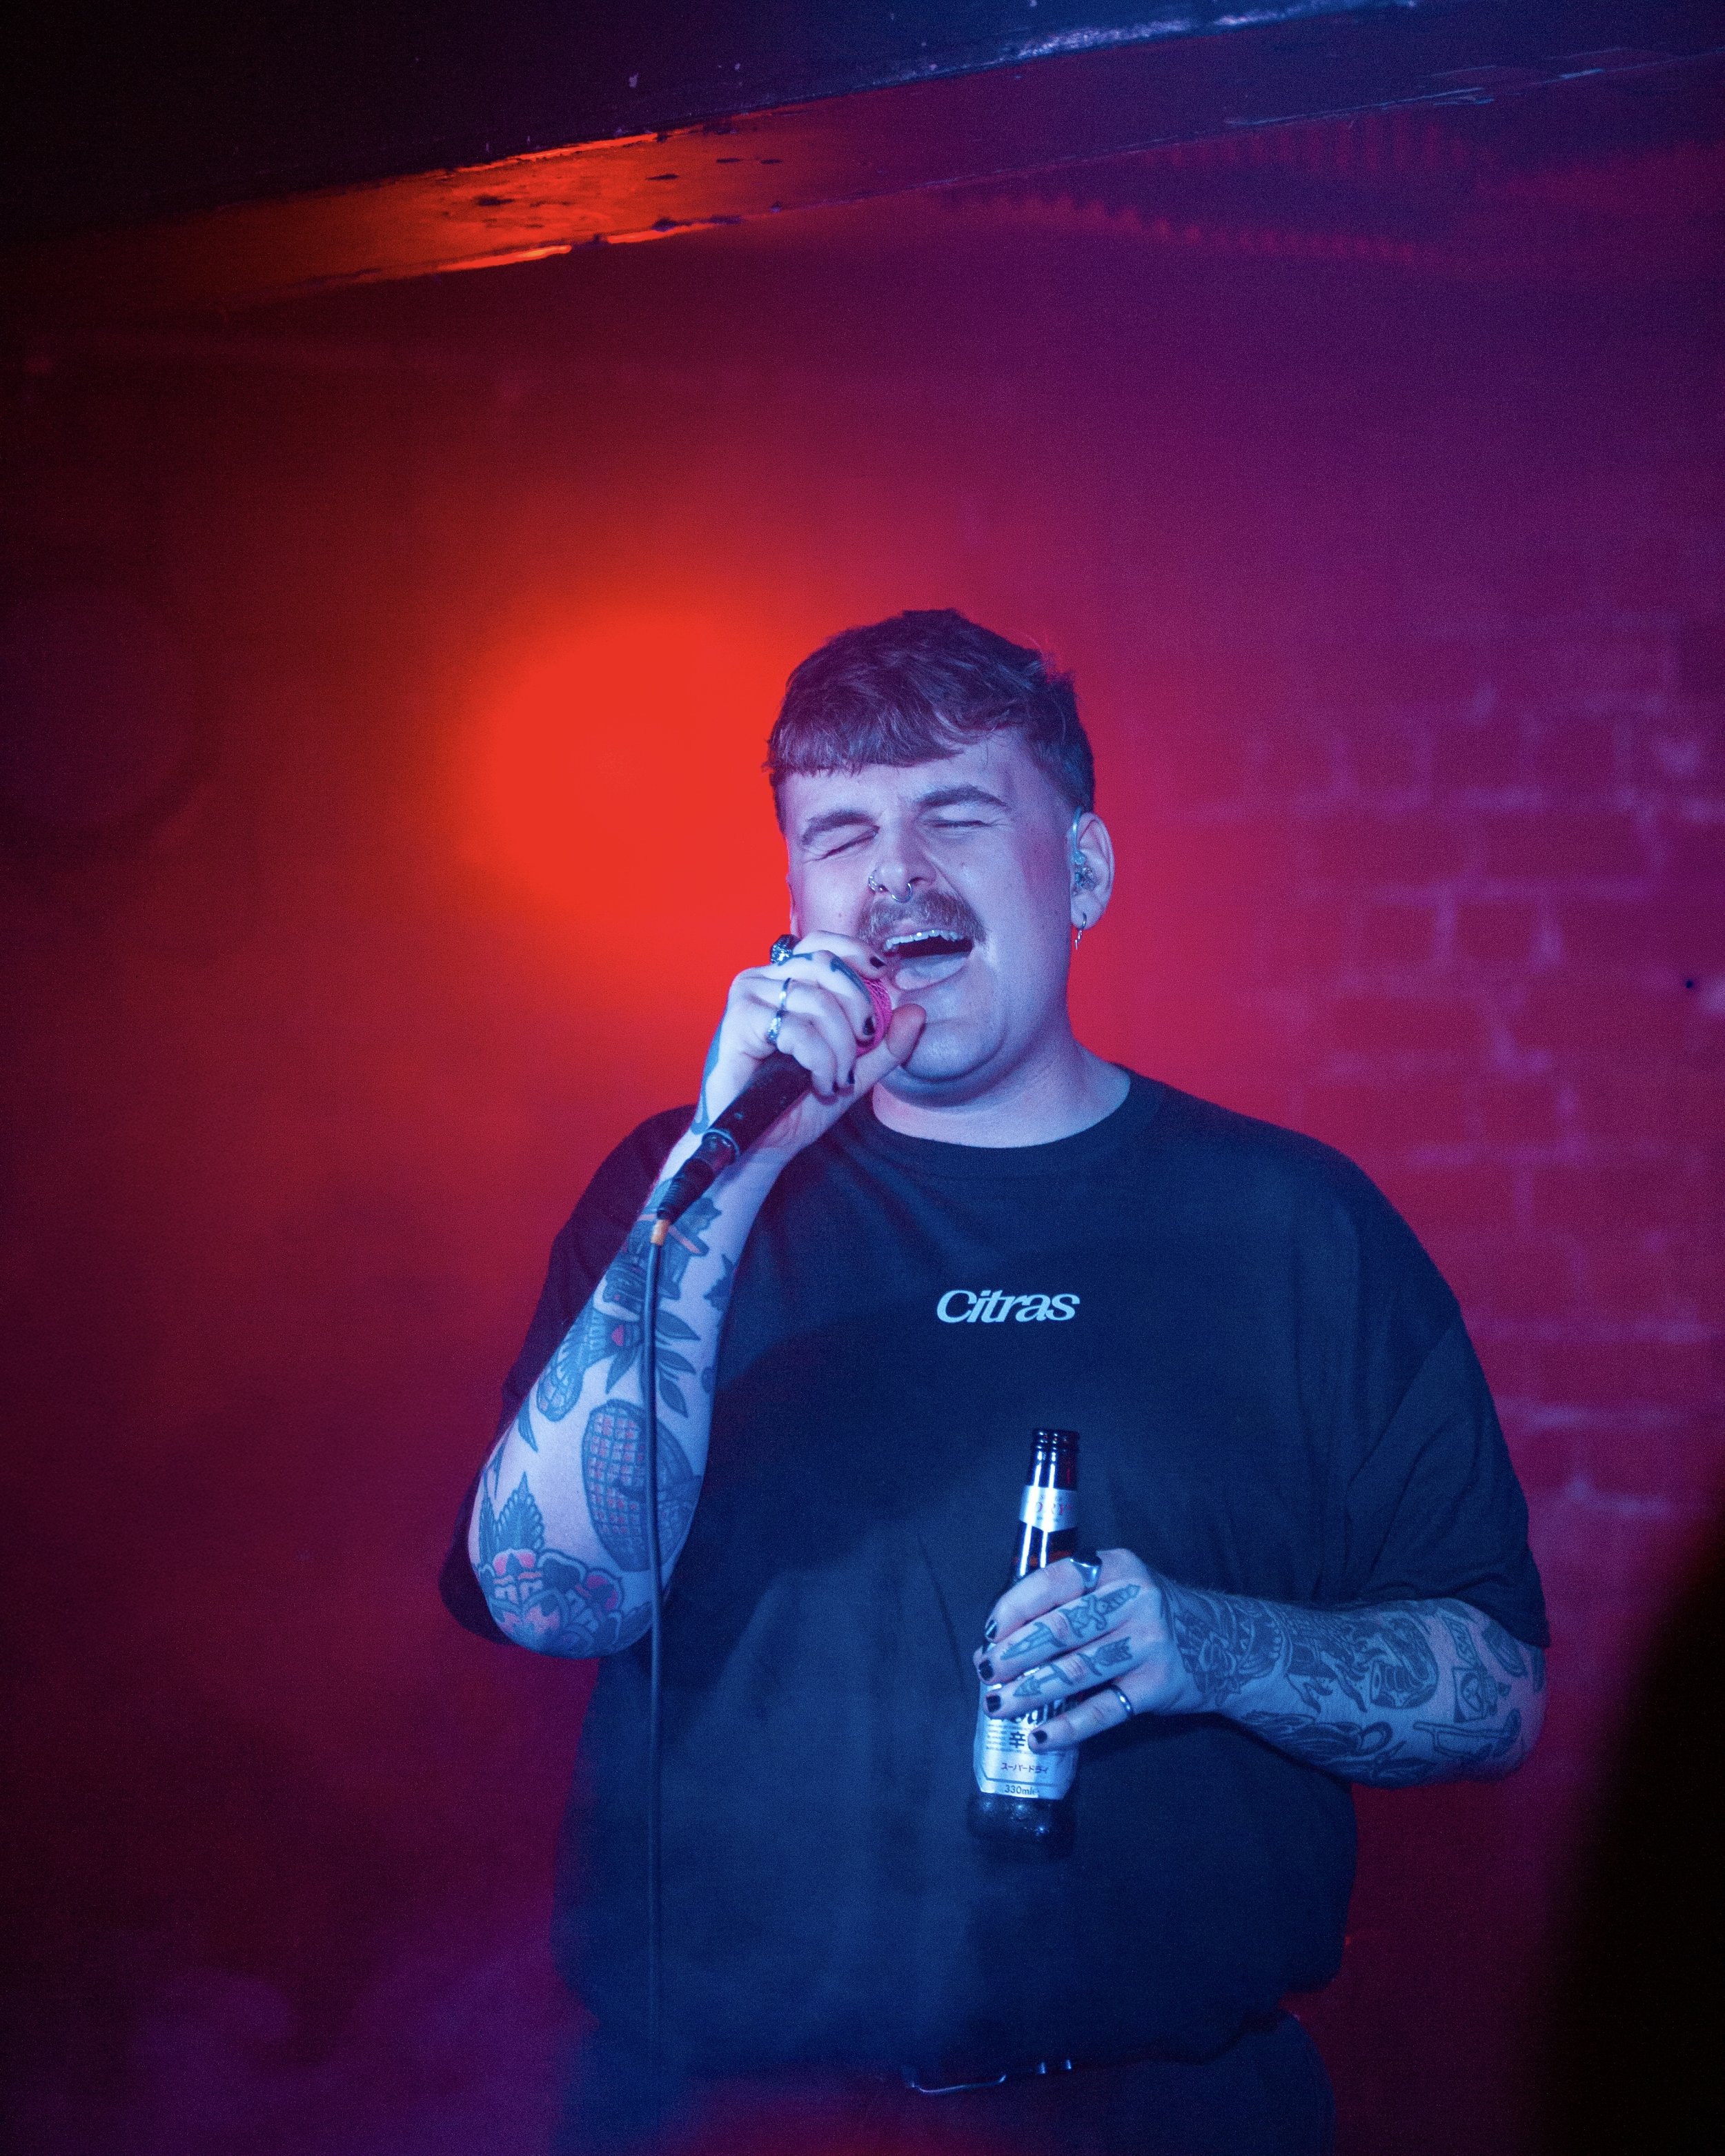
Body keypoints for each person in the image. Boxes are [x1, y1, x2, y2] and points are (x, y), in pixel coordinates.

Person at [441, 609, 1548, 2156]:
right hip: (720, 2116)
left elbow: (1493, 1691)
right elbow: (549, 1598)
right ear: (795, 904)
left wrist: (1210, 1648)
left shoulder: (1292, 1223)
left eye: (956, 815)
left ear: (1082, 873)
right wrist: (728, 1167)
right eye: (841, 835)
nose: (894, 874)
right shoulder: (676, 1197)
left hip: (1162, 2115)